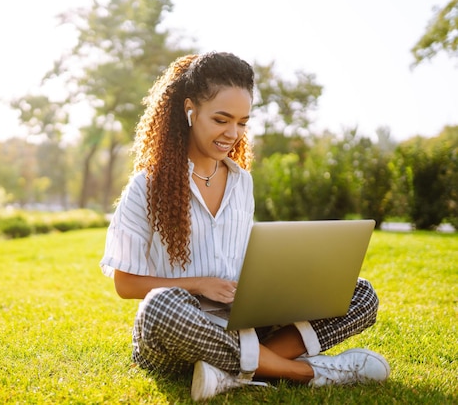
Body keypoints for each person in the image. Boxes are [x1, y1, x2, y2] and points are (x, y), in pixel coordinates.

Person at [99, 51, 390, 401]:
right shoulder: (147, 186)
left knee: (360, 294)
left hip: (244, 324)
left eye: (242, 122)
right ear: (190, 110)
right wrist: (199, 285)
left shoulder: (242, 183)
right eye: (221, 119)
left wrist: (280, 284)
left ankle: (231, 374)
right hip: (180, 333)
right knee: (161, 306)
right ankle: (308, 371)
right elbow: (125, 284)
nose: (232, 134)